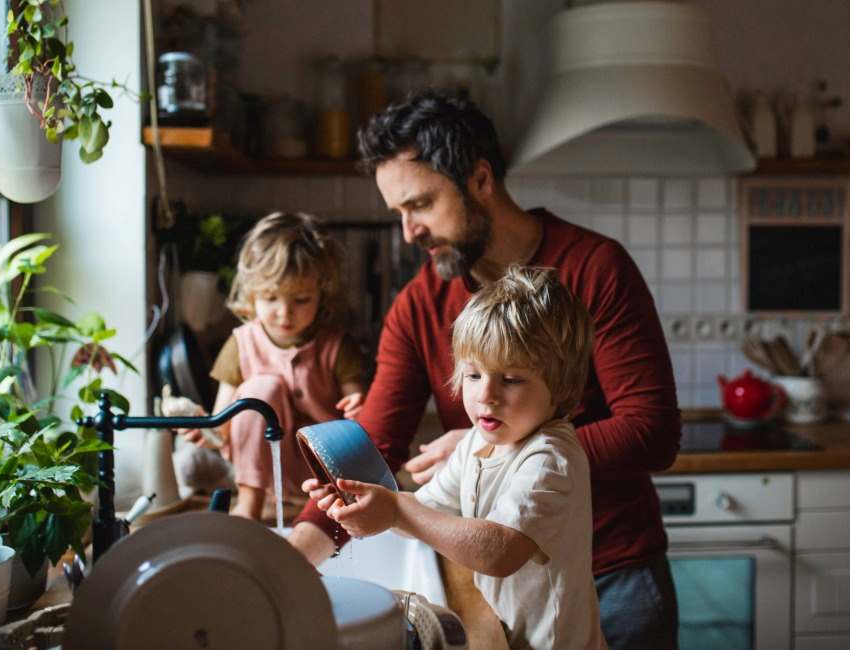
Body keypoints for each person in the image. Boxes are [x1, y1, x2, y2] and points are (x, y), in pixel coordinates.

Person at [288, 91, 681, 648]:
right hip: (506, 593)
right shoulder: (420, 303)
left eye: (420, 204)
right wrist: (293, 556)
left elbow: (652, 430)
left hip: (613, 575)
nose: (408, 232)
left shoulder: (596, 269)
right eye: (398, 213)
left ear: (479, 179)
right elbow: (370, 443)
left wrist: (502, 449)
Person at [314, 266, 606, 649]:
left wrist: (398, 510)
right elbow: (427, 511)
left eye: (512, 379)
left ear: (562, 385)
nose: (486, 395)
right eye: (473, 375)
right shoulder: (477, 443)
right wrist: (363, 502)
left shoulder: (549, 460)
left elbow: (499, 551)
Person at [185, 211, 370, 519]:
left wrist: (359, 407)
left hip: (326, 471)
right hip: (264, 474)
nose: (285, 313)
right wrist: (205, 427)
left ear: (321, 294)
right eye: (271, 298)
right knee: (260, 389)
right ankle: (249, 505)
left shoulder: (337, 345)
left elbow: (361, 409)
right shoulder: (241, 343)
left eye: (300, 300)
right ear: (252, 293)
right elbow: (223, 423)